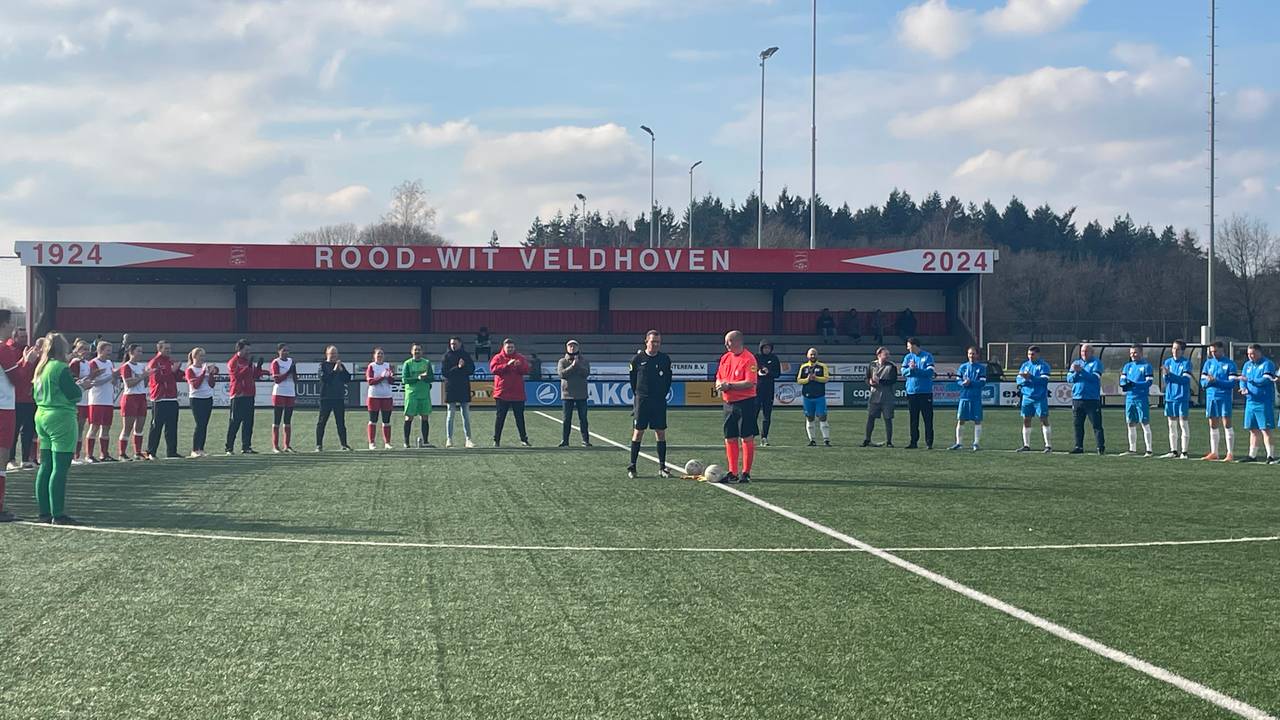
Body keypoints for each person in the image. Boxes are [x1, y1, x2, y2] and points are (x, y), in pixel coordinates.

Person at [33, 332, 82, 525]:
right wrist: (81, 386)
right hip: (60, 416)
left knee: (45, 466)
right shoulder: (60, 367)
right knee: (60, 467)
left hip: (41, 414)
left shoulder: (40, 367)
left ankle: (44, 511)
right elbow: (74, 395)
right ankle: (58, 514)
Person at [0, 311, 36, 522]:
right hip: (4, 408)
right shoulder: (3, 349)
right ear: (5, 324)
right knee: (1, 460)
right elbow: (19, 379)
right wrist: (28, 361)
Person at [715, 330, 759, 484]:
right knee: (730, 437)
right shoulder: (725, 358)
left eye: (729, 341)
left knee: (746, 436)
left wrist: (730, 385)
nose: (726, 344)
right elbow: (719, 377)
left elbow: (750, 382)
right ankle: (732, 471)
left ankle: (746, 472)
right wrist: (720, 385)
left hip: (745, 402)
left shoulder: (749, 359)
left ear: (738, 342)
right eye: (726, 342)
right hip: (728, 403)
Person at [627, 330, 672, 479]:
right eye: (653, 341)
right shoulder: (637, 359)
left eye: (658, 342)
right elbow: (633, 381)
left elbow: (668, 380)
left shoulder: (665, 359)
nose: (656, 344)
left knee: (660, 432)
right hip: (642, 400)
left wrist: (660, 395)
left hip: (658, 401)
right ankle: (632, 466)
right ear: (646, 341)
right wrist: (640, 395)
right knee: (638, 431)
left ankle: (662, 467)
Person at [225, 339, 267, 455]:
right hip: (238, 395)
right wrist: (247, 367)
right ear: (240, 349)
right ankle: (229, 447)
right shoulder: (233, 362)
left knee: (248, 422)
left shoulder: (248, 362)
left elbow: (254, 376)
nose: (248, 352)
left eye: (249, 350)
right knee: (235, 422)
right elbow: (236, 376)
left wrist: (258, 367)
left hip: (249, 395)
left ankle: (246, 446)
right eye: (246, 350)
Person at [1237, 343, 1276, 464]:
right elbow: (1242, 379)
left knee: (1265, 429)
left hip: (1263, 402)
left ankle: (1270, 456)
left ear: (1259, 352)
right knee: (1252, 429)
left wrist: (1250, 380)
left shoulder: (1267, 364)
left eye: (1253, 353)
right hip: (1250, 401)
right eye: (1248, 354)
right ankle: (1252, 455)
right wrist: (1243, 388)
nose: (1250, 356)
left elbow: (1264, 380)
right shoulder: (1247, 365)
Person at [1199, 341, 1237, 462]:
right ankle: (1214, 452)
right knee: (1213, 424)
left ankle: (1230, 453)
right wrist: (1208, 383)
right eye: (1211, 351)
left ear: (1222, 350)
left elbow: (1231, 383)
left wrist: (1216, 381)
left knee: (1227, 423)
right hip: (1211, 397)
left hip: (1224, 397)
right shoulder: (1208, 363)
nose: (1213, 353)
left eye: (1216, 351)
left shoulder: (1230, 364)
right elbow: (1203, 382)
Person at [490, 338, 531, 447]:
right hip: (502, 393)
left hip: (517, 393)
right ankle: (496, 440)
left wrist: (519, 366)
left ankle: (524, 439)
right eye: (508, 347)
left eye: (512, 347)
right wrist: (507, 365)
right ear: (503, 347)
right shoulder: (498, 357)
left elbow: (526, 370)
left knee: (520, 418)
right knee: (500, 418)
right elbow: (494, 370)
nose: (510, 349)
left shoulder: (520, 358)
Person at [1067, 342, 1106, 455]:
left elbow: (1094, 378)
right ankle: (1078, 446)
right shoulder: (1076, 363)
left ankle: (1100, 447)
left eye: (1086, 351)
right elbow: (1069, 379)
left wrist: (1081, 371)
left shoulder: (1096, 363)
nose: (1084, 353)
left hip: (1092, 399)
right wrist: (1075, 373)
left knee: (1096, 424)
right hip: (1077, 398)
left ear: (1092, 352)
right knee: (1078, 424)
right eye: (1082, 351)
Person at [82, 340, 117, 462]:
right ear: (100, 351)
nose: (109, 353)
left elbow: (112, 380)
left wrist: (115, 379)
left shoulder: (109, 363)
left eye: (110, 351)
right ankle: (89, 455)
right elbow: (94, 382)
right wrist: (110, 376)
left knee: (106, 427)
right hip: (97, 400)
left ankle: (104, 454)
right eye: (107, 351)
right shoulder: (93, 363)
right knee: (94, 427)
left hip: (108, 400)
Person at [145, 340, 181, 460]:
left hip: (172, 398)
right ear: (159, 349)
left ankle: (172, 451)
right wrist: (172, 371)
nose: (169, 351)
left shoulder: (170, 362)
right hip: (159, 398)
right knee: (156, 426)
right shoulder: (154, 362)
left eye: (169, 348)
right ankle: (151, 451)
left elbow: (176, 376)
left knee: (172, 426)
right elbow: (157, 379)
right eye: (166, 349)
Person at [7, 327, 36, 470]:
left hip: (29, 398)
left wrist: (34, 385)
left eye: (26, 336)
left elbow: (36, 371)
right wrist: (25, 360)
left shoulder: (30, 350)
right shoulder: (9, 351)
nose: (25, 339)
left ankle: (25, 459)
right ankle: (10, 459)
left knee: (29, 430)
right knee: (13, 430)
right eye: (22, 337)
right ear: (15, 337)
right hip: (15, 398)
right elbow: (15, 373)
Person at [1119, 344, 1155, 457]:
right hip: (1129, 398)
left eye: (1135, 352)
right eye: (1131, 353)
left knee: (1144, 422)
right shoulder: (1127, 366)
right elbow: (1122, 381)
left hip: (1141, 398)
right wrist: (1126, 385)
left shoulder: (1146, 366)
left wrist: (1134, 384)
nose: (1133, 355)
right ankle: (1132, 448)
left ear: (1141, 353)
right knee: (1130, 423)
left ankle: (1149, 449)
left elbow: (1148, 382)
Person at [1015, 346, 1053, 453]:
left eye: (1032, 354)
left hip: (1039, 397)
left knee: (1043, 419)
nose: (1030, 357)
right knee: (1026, 419)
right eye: (1028, 354)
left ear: (1038, 354)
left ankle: (1048, 445)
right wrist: (1024, 380)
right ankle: (1026, 445)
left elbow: (1044, 381)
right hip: (1027, 397)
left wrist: (1031, 378)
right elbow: (1018, 379)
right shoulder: (1025, 365)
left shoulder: (1044, 366)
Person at [316, 345, 353, 452]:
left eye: (335, 353)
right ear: (327, 354)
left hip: (339, 398)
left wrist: (341, 370)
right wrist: (334, 370)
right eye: (332, 353)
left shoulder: (340, 365)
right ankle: (319, 445)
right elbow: (325, 379)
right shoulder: (322, 365)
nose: (334, 356)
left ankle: (344, 444)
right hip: (326, 398)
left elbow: (347, 379)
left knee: (341, 422)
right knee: (322, 422)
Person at [1160, 339, 1193, 459]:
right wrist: (1168, 375)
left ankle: (1184, 451)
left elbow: (1185, 380)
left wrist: (1170, 375)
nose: (1174, 351)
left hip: (1182, 397)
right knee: (1171, 425)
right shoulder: (1168, 362)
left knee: (1183, 424)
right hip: (1170, 397)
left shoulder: (1186, 363)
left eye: (1177, 349)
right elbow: (1167, 380)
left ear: (1183, 351)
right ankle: (1173, 450)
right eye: (1173, 348)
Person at [950, 346, 987, 451]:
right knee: (961, 420)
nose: (971, 356)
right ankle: (959, 443)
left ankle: (976, 443)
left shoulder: (981, 368)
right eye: (970, 353)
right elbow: (958, 380)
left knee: (977, 420)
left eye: (973, 353)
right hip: (964, 397)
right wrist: (963, 383)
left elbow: (982, 382)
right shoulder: (963, 367)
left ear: (977, 355)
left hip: (975, 398)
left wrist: (971, 382)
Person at [118, 343, 150, 460]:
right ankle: (122, 453)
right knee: (127, 428)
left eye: (141, 351)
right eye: (138, 351)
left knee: (140, 427)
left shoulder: (142, 366)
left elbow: (144, 384)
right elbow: (129, 384)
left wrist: (147, 377)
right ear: (131, 353)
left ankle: (137, 452)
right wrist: (143, 376)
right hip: (130, 397)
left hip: (141, 397)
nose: (140, 354)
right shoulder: (126, 366)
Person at [441, 338, 475, 449]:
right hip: (451, 388)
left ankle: (468, 439)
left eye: (455, 343)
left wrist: (464, 366)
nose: (453, 345)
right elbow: (445, 372)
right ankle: (449, 439)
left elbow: (471, 370)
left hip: (464, 387)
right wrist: (458, 367)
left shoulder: (466, 355)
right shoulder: (446, 356)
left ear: (460, 344)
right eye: (451, 344)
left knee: (465, 415)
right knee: (450, 414)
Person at [902, 337, 936, 450]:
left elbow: (929, 372)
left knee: (927, 418)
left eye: (909, 346)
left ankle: (929, 442)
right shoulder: (908, 357)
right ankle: (913, 441)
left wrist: (916, 370)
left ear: (915, 345)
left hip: (925, 392)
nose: (908, 348)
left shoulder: (927, 356)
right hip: (912, 392)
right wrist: (910, 370)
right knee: (913, 418)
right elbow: (903, 372)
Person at [556, 339, 591, 447]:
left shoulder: (584, 361)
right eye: (570, 346)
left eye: (574, 346)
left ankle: (585, 440)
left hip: (581, 394)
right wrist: (573, 366)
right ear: (567, 348)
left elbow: (586, 373)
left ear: (578, 348)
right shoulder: (562, 361)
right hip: (567, 394)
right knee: (567, 419)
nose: (572, 348)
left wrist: (578, 365)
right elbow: (562, 374)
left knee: (583, 418)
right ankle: (565, 440)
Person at [185, 347, 217, 458]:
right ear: (194, 357)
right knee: (199, 424)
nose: (203, 358)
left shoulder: (206, 368)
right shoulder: (190, 369)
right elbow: (196, 385)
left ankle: (201, 448)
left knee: (204, 425)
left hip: (207, 398)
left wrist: (211, 374)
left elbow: (212, 384)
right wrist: (204, 372)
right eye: (200, 356)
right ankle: (194, 449)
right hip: (196, 398)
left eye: (204, 356)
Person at [796, 347, 831, 447]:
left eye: (814, 354)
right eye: (811, 354)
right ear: (807, 356)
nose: (812, 356)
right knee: (809, 418)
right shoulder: (803, 367)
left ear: (817, 355)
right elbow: (799, 380)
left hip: (819, 396)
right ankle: (812, 440)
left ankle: (826, 440)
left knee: (822, 417)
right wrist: (807, 379)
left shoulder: (822, 366)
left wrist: (816, 378)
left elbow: (826, 379)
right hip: (807, 397)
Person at [863, 346, 898, 447]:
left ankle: (889, 441)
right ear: (879, 355)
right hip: (874, 395)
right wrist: (869, 382)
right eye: (885, 354)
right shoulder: (871, 364)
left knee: (888, 419)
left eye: (888, 354)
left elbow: (893, 380)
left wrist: (880, 381)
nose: (887, 356)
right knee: (870, 418)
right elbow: (866, 378)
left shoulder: (891, 366)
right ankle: (867, 440)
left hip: (887, 396)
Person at [401, 343, 434, 448]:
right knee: (409, 418)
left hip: (424, 394)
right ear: (411, 352)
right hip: (412, 394)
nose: (417, 352)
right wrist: (418, 378)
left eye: (419, 350)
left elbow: (431, 378)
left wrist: (426, 378)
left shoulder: (427, 363)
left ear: (422, 352)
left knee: (425, 417)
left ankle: (426, 441)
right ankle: (406, 442)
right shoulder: (407, 363)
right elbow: (404, 380)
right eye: (415, 350)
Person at [366, 347, 396, 450]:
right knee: (373, 420)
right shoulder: (371, 366)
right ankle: (372, 443)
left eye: (381, 354)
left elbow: (392, 381)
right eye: (378, 354)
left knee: (386, 420)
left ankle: (387, 443)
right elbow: (370, 381)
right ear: (374, 356)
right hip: (374, 396)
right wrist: (382, 377)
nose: (380, 356)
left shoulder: (388, 366)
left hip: (387, 396)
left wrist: (390, 377)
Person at [270, 343, 298, 453]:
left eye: (287, 350)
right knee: (277, 419)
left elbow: (295, 379)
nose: (286, 352)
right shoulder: (276, 362)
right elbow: (277, 379)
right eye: (284, 350)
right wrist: (288, 373)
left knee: (287, 419)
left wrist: (294, 373)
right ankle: (275, 446)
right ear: (279, 351)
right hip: (279, 392)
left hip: (290, 392)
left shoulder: (291, 361)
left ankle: (287, 445)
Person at [67, 339, 91, 464]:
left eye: (87, 349)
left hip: (85, 399)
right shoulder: (75, 362)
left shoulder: (87, 363)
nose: (86, 352)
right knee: (74, 428)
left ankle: (77, 454)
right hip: (77, 400)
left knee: (80, 428)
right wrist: (84, 381)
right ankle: (71, 455)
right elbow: (72, 379)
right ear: (77, 350)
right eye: (83, 349)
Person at [754, 340, 781, 446]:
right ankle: (751, 435)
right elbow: (750, 371)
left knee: (767, 415)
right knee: (753, 414)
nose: (766, 350)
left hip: (769, 390)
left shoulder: (774, 358)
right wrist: (758, 372)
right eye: (765, 348)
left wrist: (769, 372)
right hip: (756, 390)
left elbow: (778, 374)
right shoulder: (756, 358)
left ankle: (764, 437)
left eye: (768, 348)